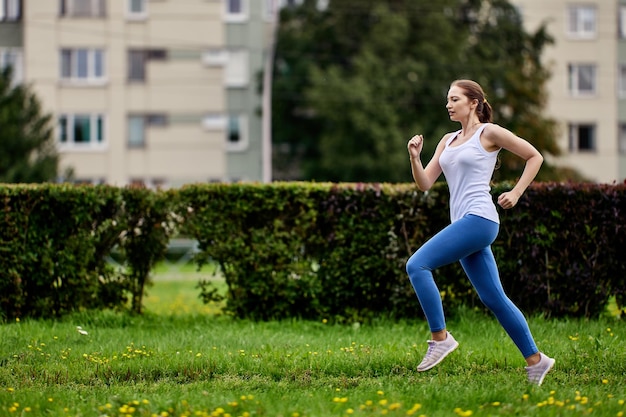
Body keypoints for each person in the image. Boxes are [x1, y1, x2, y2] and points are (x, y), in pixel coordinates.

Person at [406, 79, 555, 385]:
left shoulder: (490, 133)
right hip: (464, 222)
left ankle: (440, 338)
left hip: (480, 219)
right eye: (447, 99)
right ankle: (536, 361)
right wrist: (414, 158)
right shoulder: (447, 140)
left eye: (455, 99)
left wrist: (516, 192)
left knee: (417, 265)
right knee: (494, 298)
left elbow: (534, 156)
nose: (448, 104)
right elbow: (424, 183)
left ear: (473, 102)